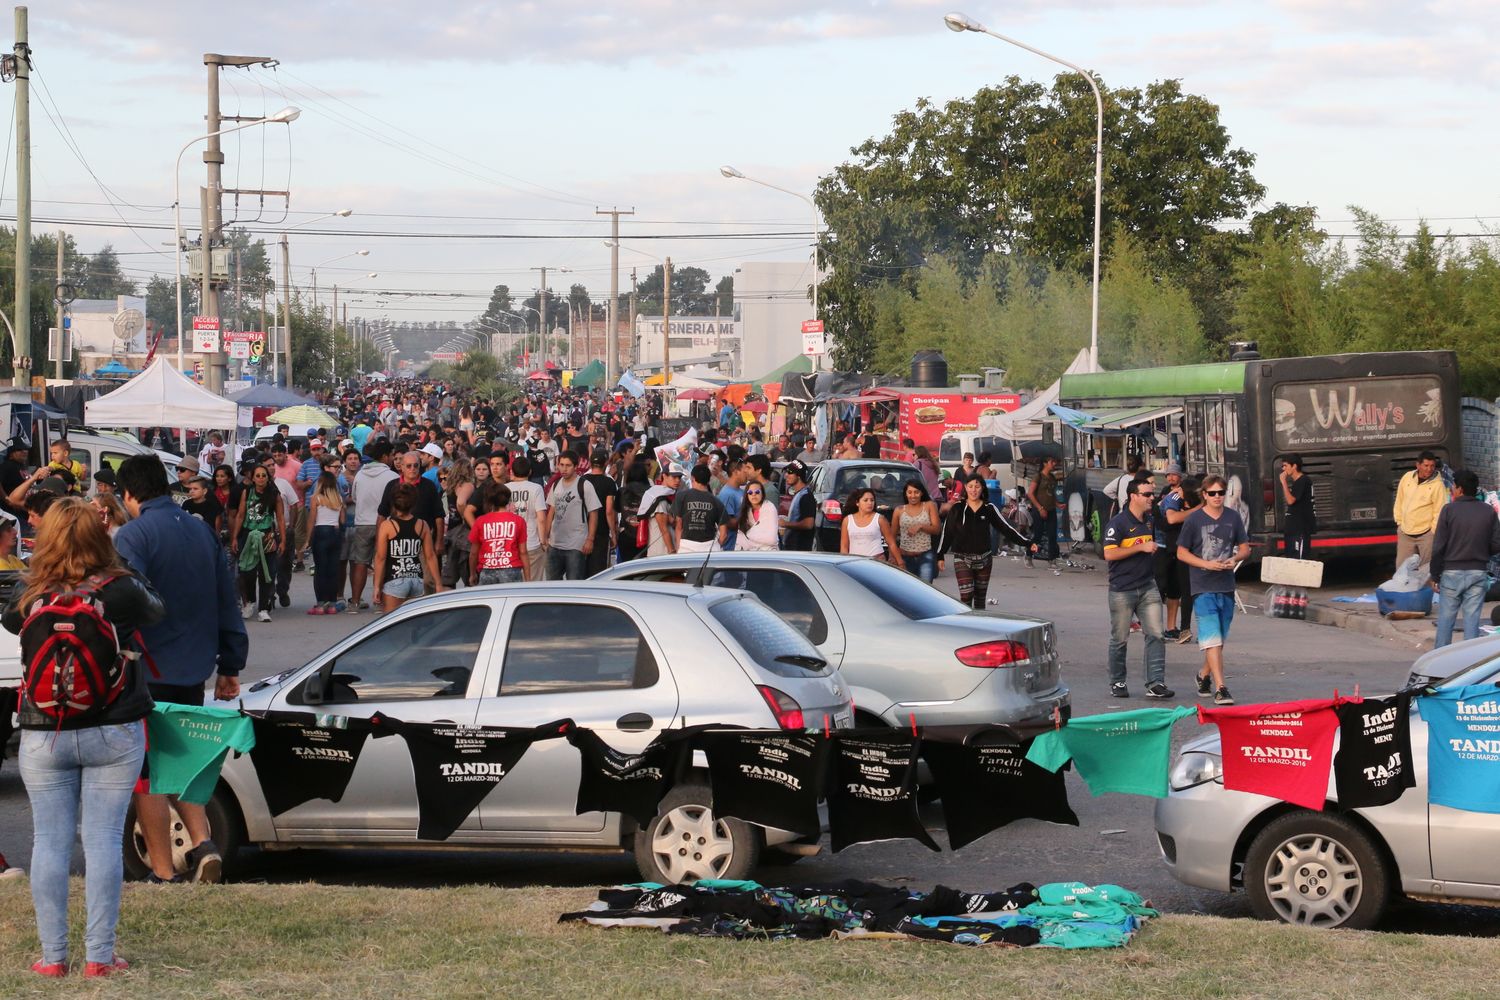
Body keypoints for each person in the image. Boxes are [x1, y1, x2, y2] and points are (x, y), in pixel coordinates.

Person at [7, 497, 166, 978]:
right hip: (113, 728)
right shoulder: (121, 589)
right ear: (100, 536)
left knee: (49, 843)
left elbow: (13, 624)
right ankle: (100, 956)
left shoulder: (28, 591)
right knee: (99, 841)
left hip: (43, 731)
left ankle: (53, 957)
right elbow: (156, 611)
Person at [114, 454, 247, 885]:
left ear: (129, 493)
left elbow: (124, 604)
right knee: (181, 762)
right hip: (194, 668)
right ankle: (204, 843)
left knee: (149, 774)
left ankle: (163, 869)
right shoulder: (200, 530)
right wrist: (230, 663)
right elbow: (227, 598)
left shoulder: (133, 535)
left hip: (146, 669)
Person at [1176, 474, 1250, 706]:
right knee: (1212, 637)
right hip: (1202, 585)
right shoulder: (1194, 520)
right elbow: (1181, 552)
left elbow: (1245, 548)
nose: (1217, 497)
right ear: (1204, 495)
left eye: (1220, 493)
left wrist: (1234, 558)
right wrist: (1206, 564)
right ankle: (1221, 687)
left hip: (1226, 584)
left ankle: (1203, 675)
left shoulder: (1233, 517)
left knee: (1218, 639)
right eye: (1212, 493)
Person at [1104, 479, 1172, 700]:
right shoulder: (1119, 523)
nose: (1151, 498)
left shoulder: (1150, 520)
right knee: (1120, 638)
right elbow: (1110, 554)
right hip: (1122, 588)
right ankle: (1117, 681)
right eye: (1147, 494)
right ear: (1133, 496)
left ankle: (1155, 682)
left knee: (1156, 635)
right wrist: (1140, 547)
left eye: (1152, 494)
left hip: (1147, 586)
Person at [1429, 469, 1500, 648]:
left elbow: (1439, 546)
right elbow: (1497, 544)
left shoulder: (1449, 510)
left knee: (1446, 619)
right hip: (1478, 571)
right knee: (1472, 621)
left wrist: (1435, 574)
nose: (1452, 489)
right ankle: (1469, 664)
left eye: (1453, 486)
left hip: (1451, 572)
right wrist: (1482, 552)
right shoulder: (1488, 511)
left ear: (1459, 489)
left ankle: (1440, 661)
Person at [937, 477, 1004, 609]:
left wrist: (1028, 543)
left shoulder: (988, 508)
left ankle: (979, 626)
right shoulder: (957, 508)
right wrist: (940, 555)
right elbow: (947, 533)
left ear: (982, 488)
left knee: (980, 599)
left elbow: (1006, 528)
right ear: (966, 488)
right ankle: (965, 625)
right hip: (962, 558)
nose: (974, 490)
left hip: (985, 559)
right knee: (966, 596)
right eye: (971, 486)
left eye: (977, 486)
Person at [374, 483, 443, 612]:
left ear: (393, 503)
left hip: (395, 579)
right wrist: (438, 583)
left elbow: (380, 558)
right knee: (413, 623)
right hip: (416, 579)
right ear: (413, 503)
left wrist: (377, 586)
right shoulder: (422, 525)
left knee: (391, 622)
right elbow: (430, 556)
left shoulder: (388, 526)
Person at [230, 465, 286, 623]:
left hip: (267, 535)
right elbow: (240, 515)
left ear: (268, 477)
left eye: (264, 475)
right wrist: (234, 537)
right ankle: (250, 602)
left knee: (266, 573)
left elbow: (280, 518)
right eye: (258, 475)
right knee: (246, 572)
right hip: (248, 535)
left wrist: (282, 540)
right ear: (252, 478)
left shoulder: (275, 495)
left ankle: (263, 608)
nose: (261, 478)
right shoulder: (246, 492)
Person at [348, 439, 398, 612]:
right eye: (391, 455)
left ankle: (354, 601)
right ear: (384, 456)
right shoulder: (393, 477)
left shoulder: (360, 475)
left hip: (362, 523)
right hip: (385, 524)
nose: (393, 459)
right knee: (381, 562)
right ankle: (380, 602)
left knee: (360, 563)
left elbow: (354, 498)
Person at [544, 450, 601, 580]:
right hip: (555, 543)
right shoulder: (556, 484)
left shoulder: (585, 485)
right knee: (551, 584)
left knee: (574, 583)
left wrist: (590, 539)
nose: (564, 468)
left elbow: (594, 513)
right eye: (561, 465)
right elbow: (551, 511)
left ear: (575, 467)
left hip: (576, 544)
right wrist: (545, 536)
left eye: (568, 465)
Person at [1154, 464, 1192, 643]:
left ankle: (1172, 628)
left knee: (1175, 590)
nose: (1170, 478)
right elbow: (1167, 518)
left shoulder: (1186, 495)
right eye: (1168, 475)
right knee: (1159, 588)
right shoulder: (1167, 494)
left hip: (1178, 546)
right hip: (1162, 545)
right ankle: (1153, 628)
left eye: (1173, 475)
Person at [1393, 450, 1448, 570]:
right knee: (1402, 570)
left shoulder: (1438, 485)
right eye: (1426, 465)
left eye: (1432, 466)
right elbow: (1399, 500)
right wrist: (1399, 522)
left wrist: (1432, 531)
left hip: (1426, 535)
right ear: (1418, 465)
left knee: (1427, 571)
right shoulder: (1407, 477)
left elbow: (1440, 510)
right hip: (1405, 533)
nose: (1429, 469)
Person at [468, 483, 530, 584]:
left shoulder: (480, 521)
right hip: (511, 569)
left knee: (488, 599)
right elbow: (523, 552)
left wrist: (472, 574)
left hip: (487, 570)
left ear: (489, 501)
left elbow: (473, 553)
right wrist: (528, 578)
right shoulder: (518, 520)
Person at [307, 470, 346, 614]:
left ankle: (320, 604)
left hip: (320, 531)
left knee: (320, 569)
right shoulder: (339, 499)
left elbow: (312, 519)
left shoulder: (315, 498)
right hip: (335, 533)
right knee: (333, 569)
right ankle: (332, 603)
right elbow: (342, 520)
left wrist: (307, 539)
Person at [506, 456, 549, 583]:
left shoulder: (505, 488)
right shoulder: (536, 488)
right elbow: (541, 518)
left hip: (510, 544)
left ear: (512, 471)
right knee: (532, 584)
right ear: (530, 471)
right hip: (531, 542)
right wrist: (543, 541)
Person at [840, 488, 904, 568]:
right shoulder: (847, 520)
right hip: (854, 562)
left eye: (872, 500)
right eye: (865, 500)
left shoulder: (880, 519)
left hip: (877, 561)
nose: (869, 503)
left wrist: (900, 562)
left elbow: (891, 543)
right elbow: (844, 546)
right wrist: (845, 565)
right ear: (857, 503)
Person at [439, 458, 475, 590]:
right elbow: (461, 502)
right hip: (463, 530)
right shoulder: (467, 485)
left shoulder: (451, 486)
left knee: (449, 575)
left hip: (451, 530)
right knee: (468, 573)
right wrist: (466, 516)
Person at [673, 465, 727, 553]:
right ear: (709, 480)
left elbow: (679, 525)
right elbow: (724, 534)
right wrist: (715, 547)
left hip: (686, 547)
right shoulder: (717, 501)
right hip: (710, 548)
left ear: (692, 478)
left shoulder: (681, 497)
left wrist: (679, 547)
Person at [896, 479, 941, 583]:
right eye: (910, 492)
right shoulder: (899, 510)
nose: (913, 495)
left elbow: (937, 529)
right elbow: (892, 536)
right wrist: (895, 557)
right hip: (905, 557)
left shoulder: (929, 506)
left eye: (916, 492)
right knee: (907, 592)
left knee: (926, 590)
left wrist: (921, 526)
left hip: (925, 555)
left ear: (921, 493)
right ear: (905, 494)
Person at [640, 466, 684, 557]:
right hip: (661, 553)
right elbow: (664, 529)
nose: (677, 480)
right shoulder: (660, 498)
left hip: (664, 552)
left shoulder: (669, 495)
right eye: (674, 477)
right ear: (664, 475)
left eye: (679, 477)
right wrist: (672, 551)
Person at [1278, 453, 1315, 559]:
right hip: (1292, 529)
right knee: (1291, 558)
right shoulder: (1297, 482)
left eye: (1285, 465)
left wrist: (1284, 482)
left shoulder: (1303, 480)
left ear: (1294, 466)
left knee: (1299, 560)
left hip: (1300, 529)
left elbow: (1290, 500)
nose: (1283, 469)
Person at [1027, 456, 1060, 567]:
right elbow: (1030, 493)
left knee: (1052, 535)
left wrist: (1058, 504)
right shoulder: (1038, 476)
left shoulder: (1052, 477)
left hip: (1051, 509)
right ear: (1045, 463)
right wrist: (1040, 508)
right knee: (1038, 535)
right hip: (1039, 510)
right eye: (1052, 461)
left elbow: (1051, 493)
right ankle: (1028, 555)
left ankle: (1052, 559)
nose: (1054, 464)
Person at [780, 461, 816, 551]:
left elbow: (809, 524)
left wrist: (785, 524)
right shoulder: (799, 494)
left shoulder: (806, 496)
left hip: (799, 548)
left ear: (799, 475)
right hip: (792, 546)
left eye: (790, 472)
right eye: (786, 472)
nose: (786, 475)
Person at [736, 480, 781, 551]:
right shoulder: (745, 510)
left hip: (768, 554)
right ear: (747, 495)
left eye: (757, 492)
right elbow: (739, 540)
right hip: (749, 556)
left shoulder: (769, 507)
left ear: (762, 494)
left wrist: (748, 536)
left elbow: (771, 539)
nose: (753, 494)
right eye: (750, 492)